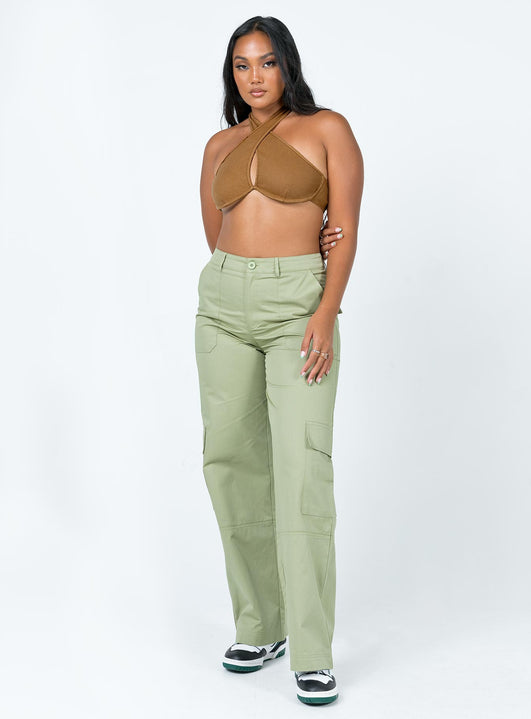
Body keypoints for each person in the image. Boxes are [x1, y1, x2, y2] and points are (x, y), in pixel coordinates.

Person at [195, 15, 363, 706]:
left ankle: (312, 651)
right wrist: (240, 277)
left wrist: (324, 309)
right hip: (222, 305)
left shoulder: (327, 129)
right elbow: (216, 232)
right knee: (230, 463)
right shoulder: (219, 144)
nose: (255, 76)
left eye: (266, 62)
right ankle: (260, 626)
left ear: (287, 65)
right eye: (242, 65)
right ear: (231, 75)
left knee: (301, 469)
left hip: (299, 305)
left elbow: (344, 228)